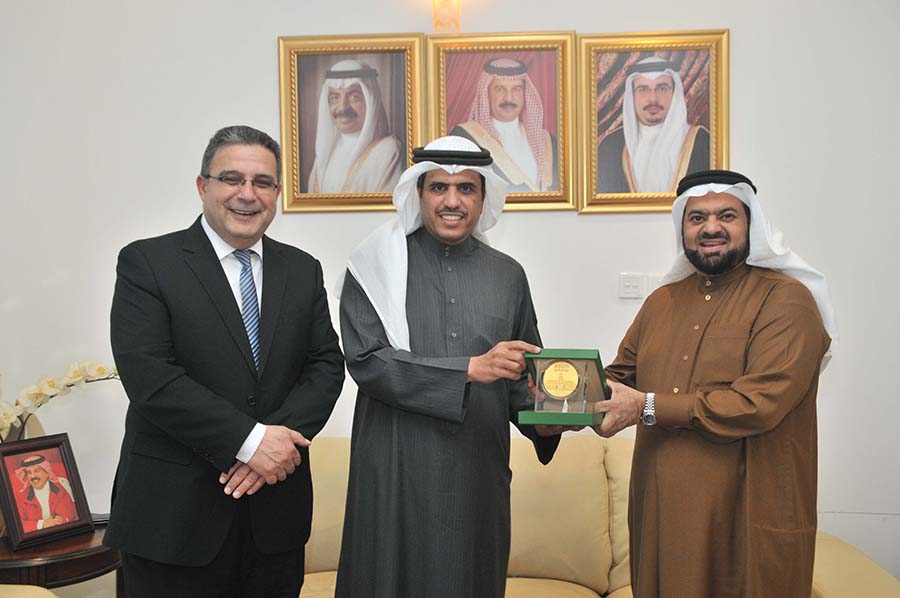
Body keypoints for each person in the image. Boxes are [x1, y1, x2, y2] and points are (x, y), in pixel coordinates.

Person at [106, 125, 345, 597]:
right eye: (232, 179)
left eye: (262, 182)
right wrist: (250, 442)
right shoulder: (147, 263)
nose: (247, 194)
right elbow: (151, 378)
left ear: (277, 194)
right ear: (203, 186)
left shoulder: (302, 269)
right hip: (171, 522)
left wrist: (272, 449)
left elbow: (325, 365)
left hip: (274, 519)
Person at [335, 135, 566, 597]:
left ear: (483, 198)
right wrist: (468, 369)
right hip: (396, 464)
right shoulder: (375, 266)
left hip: (475, 470)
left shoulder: (508, 275)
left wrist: (550, 416)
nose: (452, 202)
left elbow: (520, 379)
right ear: (418, 194)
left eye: (466, 189)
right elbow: (368, 361)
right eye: (439, 187)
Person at [593, 169, 837, 597]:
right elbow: (618, 381)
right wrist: (560, 399)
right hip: (662, 516)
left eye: (726, 215)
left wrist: (645, 406)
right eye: (697, 217)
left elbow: (758, 405)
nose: (710, 228)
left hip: (744, 516)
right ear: (682, 228)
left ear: (751, 225)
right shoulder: (661, 302)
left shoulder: (786, 300)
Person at [597, 56, 709, 193]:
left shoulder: (701, 141)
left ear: (674, 93)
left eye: (662, 88)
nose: (653, 99)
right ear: (632, 96)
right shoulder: (610, 146)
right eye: (643, 89)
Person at [450, 58, 557, 192]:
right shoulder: (464, 138)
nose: (509, 98)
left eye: (517, 89)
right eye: (500, 89)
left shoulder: (548, 141)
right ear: (486, 93)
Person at [307, 59, 404, 194]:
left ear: (371, 100)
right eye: (335, 97)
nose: (342, 107)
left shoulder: (388, 151)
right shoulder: (326, 151)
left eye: (354, 96)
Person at [14, 454, 77, 532]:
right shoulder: (21, 497)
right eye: (29, 473)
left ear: (47, 473)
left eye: (37, 471)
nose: (33, 476)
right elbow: (18, 524)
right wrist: (42, 524)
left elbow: (69, 515)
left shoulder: (61, 490)